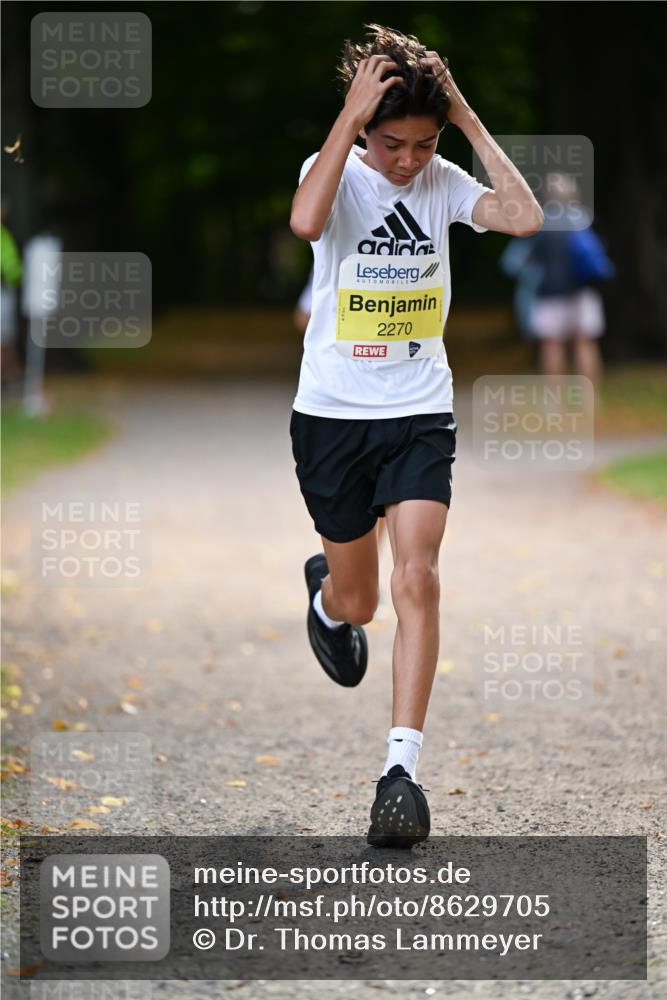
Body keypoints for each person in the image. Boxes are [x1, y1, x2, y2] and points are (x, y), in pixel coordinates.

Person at [289, 24, 543, 848]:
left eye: (421, 144)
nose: (407, 161)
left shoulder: (441, 179)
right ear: (365, 127)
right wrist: (345, 120)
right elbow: (303, 220)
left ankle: (400, 772)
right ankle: (329, 601)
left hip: (417, 412)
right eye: (393, 143)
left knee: (419, 576)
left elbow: (522, 217)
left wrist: (465, 122)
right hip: (332, 414)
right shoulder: (334, 172)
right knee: (362, 598)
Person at [526, 173, 614, 385]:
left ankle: (555, 402)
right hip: (582, 291)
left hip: (548, 293)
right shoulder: (583, 219)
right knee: (586, 343)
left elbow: (529, 259)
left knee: (552, 345)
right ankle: (590, 399)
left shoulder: (541, 222)